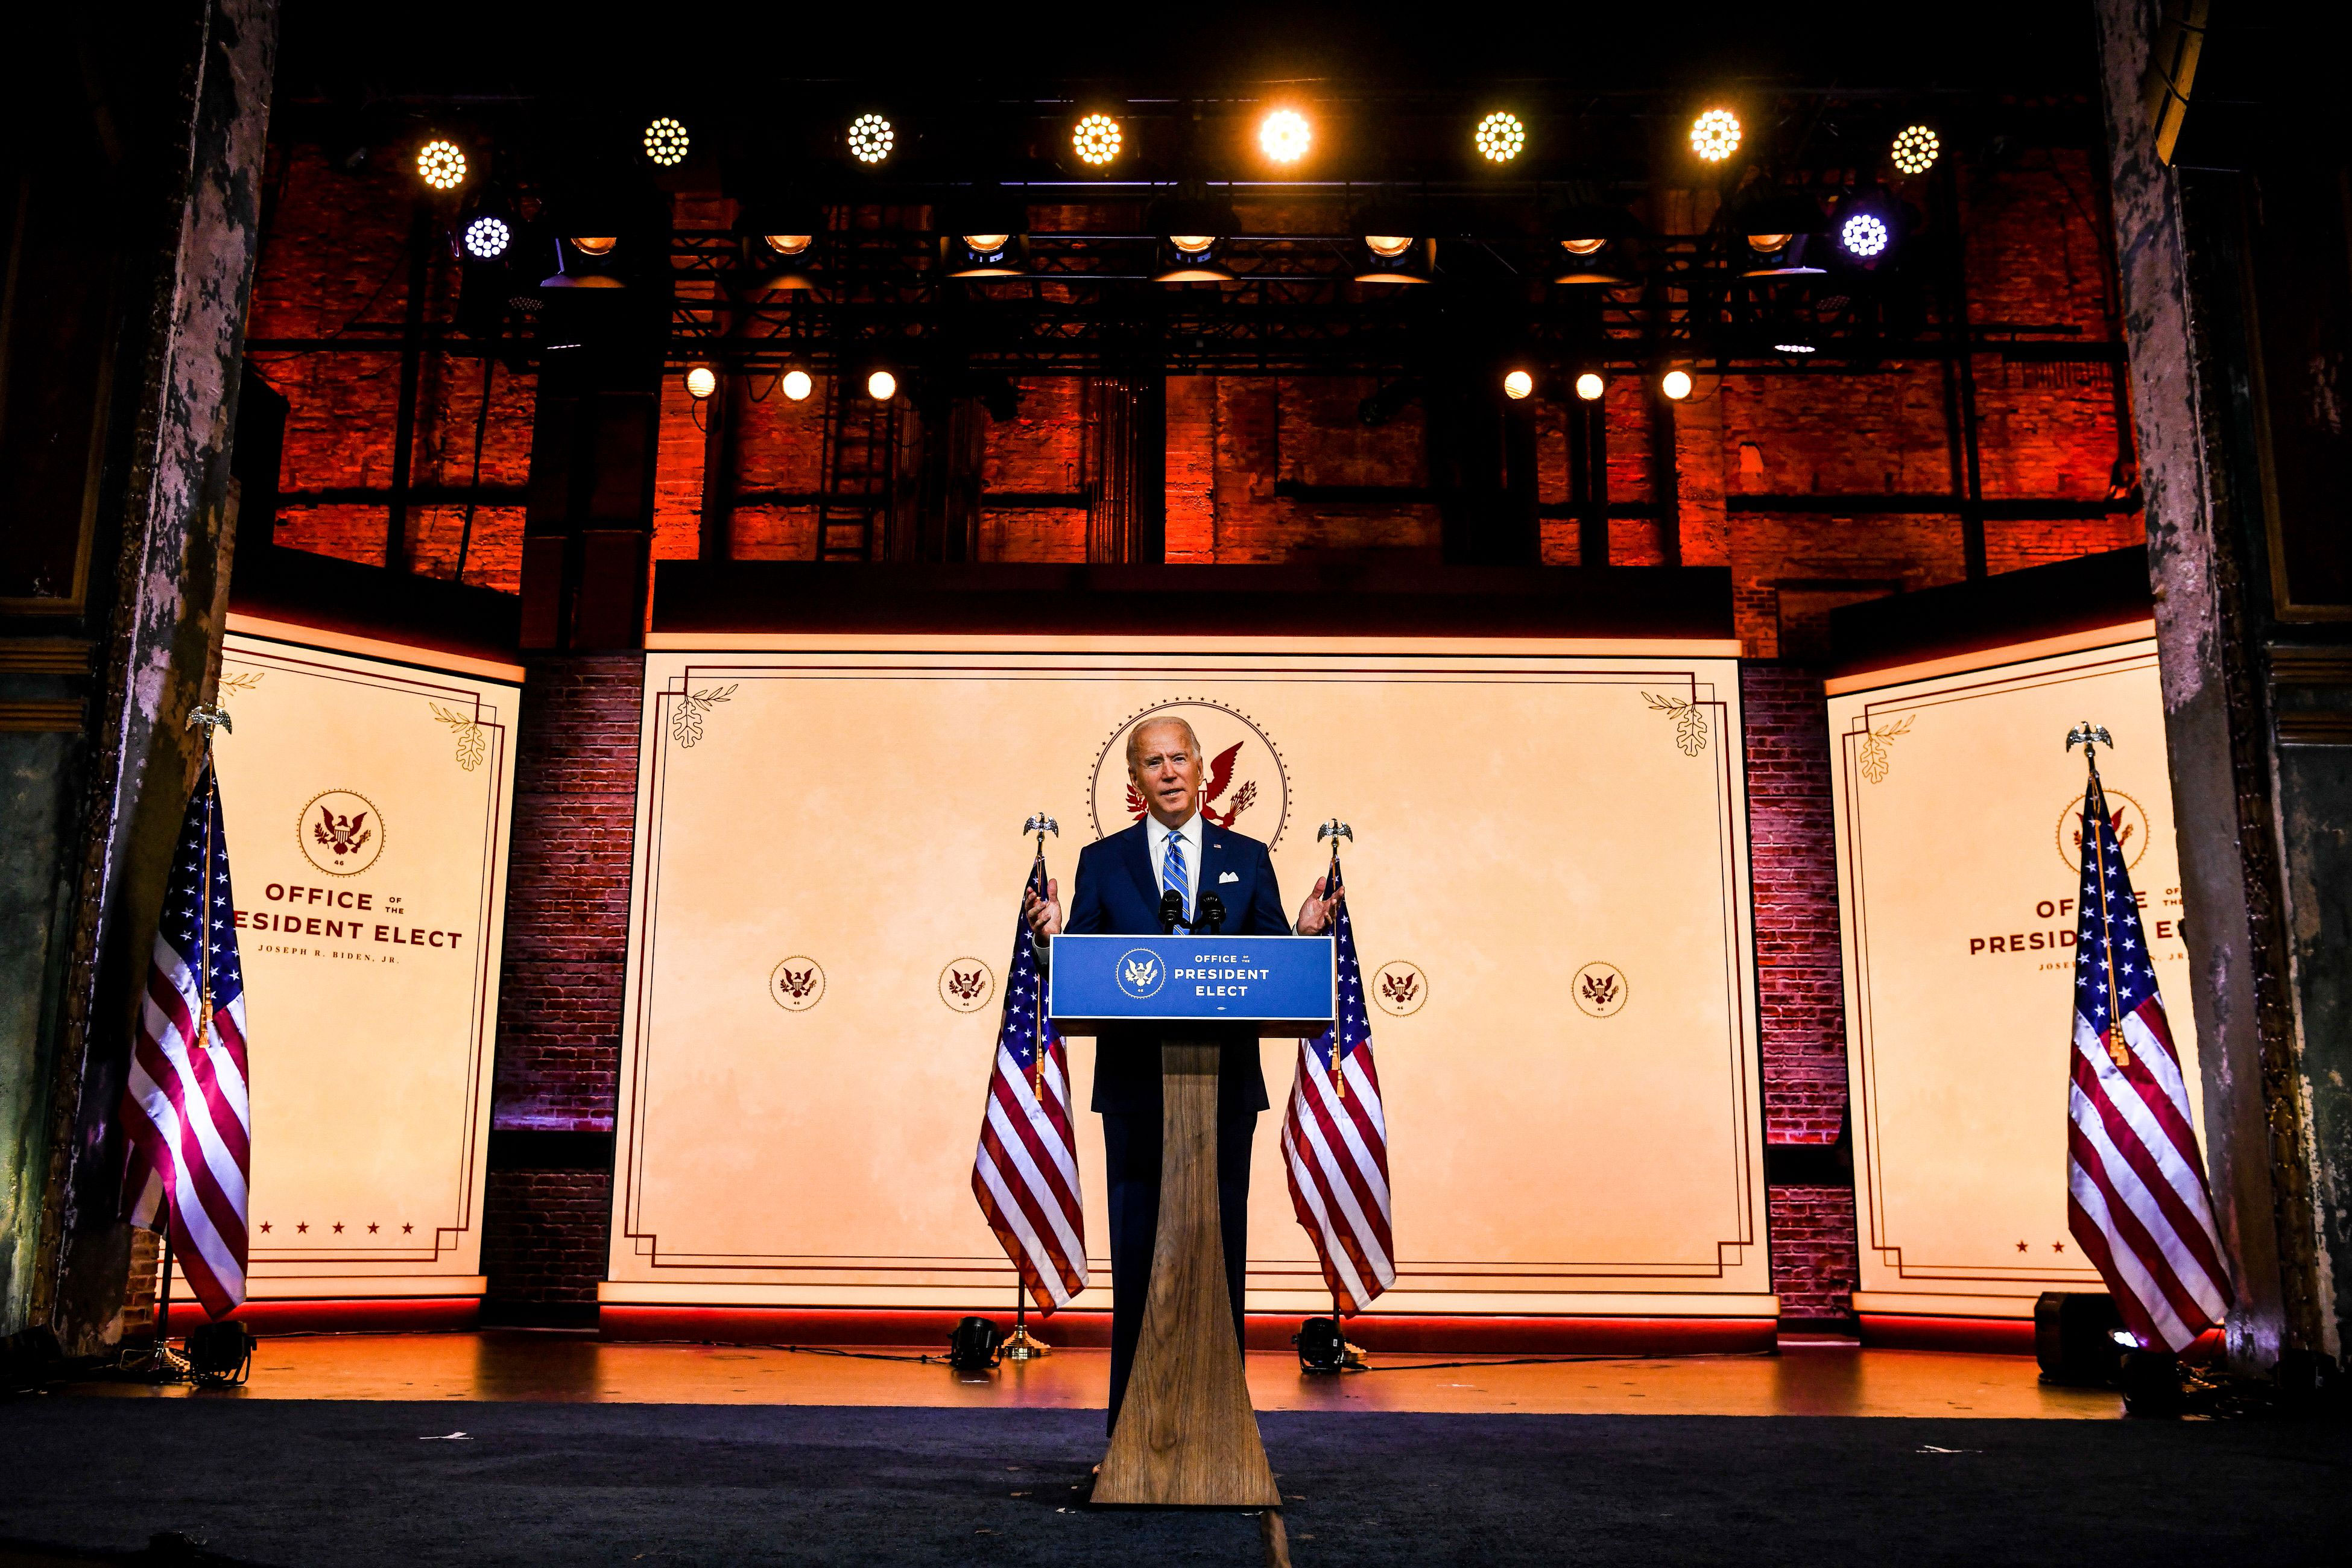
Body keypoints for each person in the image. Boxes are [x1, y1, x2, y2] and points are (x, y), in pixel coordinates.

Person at [1024, 715, 1338, 1433]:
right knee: (1138, 1256)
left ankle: (1220, 1431)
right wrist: (1052, 947)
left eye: (1178, 759)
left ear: (1202, 768)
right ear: (1134, 781)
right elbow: (1085, 975)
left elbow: (1267, 968)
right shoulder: (1102, 861)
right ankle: (1132, 1433)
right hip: (1136, 1090)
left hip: (1223, 1088)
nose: (1167, 772)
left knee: (1218, 1253)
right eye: (1151, 762)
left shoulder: (1248, 856)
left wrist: (1305, 938)